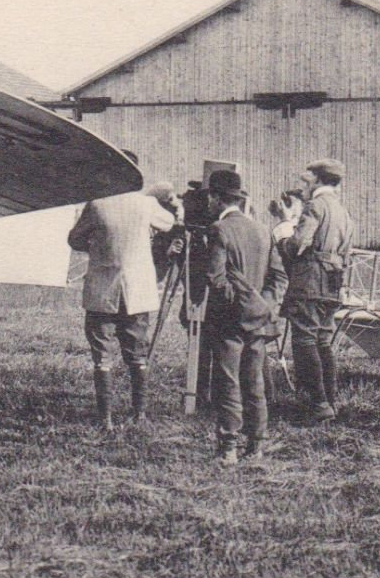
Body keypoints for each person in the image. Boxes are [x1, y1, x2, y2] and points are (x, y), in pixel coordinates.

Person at [66, 167, 177, 428]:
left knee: (102, 355)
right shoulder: (146, 204)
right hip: (137, 290)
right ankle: (139, 414)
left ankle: (105, 418)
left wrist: (96, 245)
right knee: (138, 353)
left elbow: (74, 239)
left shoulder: (97, 205)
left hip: (103, 289)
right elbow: (170, 223)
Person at [202, 170, 285, 463]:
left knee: (228, 382)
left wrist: (236, 307)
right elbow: (278, 277)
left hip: (230, 320)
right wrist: (264, 306)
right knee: (255, 383)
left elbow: (216, 279)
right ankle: (256, 446)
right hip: (259, 319)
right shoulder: (263, 230)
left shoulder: (218, 230)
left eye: (210, 197)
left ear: (215, 198)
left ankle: (228, 448)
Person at [280, 159, 355, 422]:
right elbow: (346, 253)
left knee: (304, 340)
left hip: (309, 281)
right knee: (323, 340)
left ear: (318, 180)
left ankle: (319, 404)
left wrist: (283, 235)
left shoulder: (315, 206)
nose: (304, 186)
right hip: (332, 283)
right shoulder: (343, 211)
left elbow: (298, 243)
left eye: (307, 180)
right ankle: (329, 400)